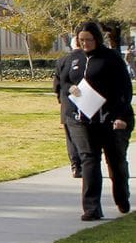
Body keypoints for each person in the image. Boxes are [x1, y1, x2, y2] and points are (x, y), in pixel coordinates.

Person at [57, 22, 133, 220]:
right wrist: (70, 89)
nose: (85, 44)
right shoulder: (74, 59)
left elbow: (124, 89)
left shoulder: (111, 58)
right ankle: (91, 208)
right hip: (81, 119)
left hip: (107, 119)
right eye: (81, 40)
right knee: (89, 159)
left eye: (89, 40)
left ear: (97, 39)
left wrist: (120, 116)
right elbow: (62, 81)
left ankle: (121, 197)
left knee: (115, 162)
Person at [54, 46, 83, 178]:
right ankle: (84, 163)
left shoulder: (63, 60)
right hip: (85, 104)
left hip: (68, 105)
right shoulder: (88, 60)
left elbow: (57, 85)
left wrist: (60, 98)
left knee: (70, 138)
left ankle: (75, 165)